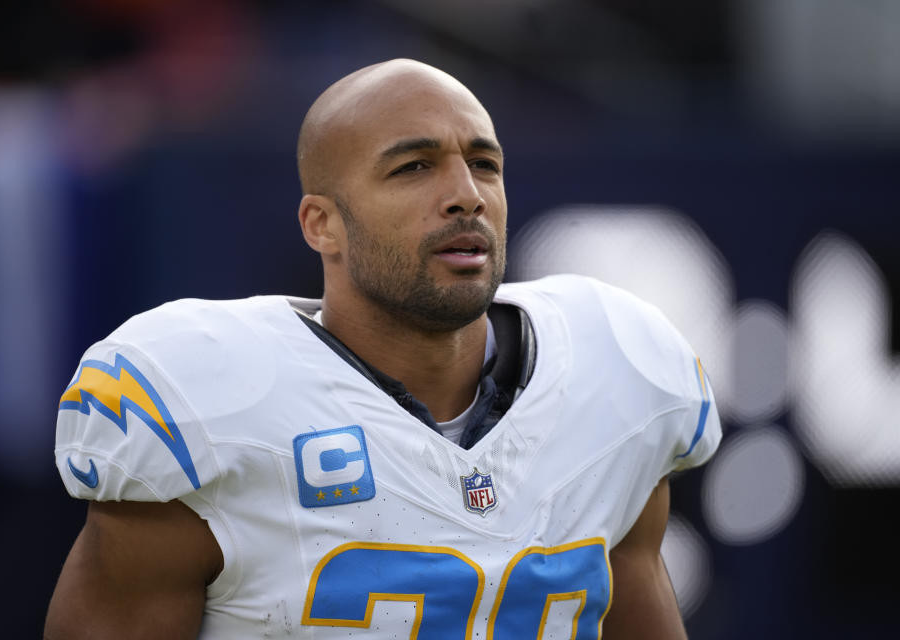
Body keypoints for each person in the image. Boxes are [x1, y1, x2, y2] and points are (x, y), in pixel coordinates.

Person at [45, 58, 720, 639]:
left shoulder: (615, 371)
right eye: (414, 167)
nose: (465, 196)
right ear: (323, 225)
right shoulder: (208, 401)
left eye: (484, 164)